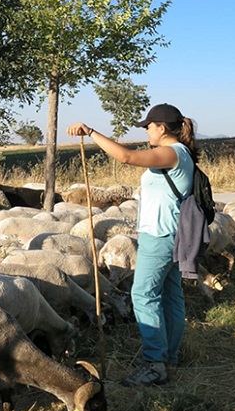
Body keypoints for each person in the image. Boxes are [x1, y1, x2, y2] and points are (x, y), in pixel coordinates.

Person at [67, 103, 200, 386]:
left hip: (160, 234)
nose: (147, 131)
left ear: (162, 128)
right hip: (173, 232)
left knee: (143, 295)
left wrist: (90, 132)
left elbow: (126, 156)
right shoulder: (182, 153)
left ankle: (155, 364)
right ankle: (169, 356)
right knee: (170, 295)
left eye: (148, 127)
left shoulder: (170, 152)